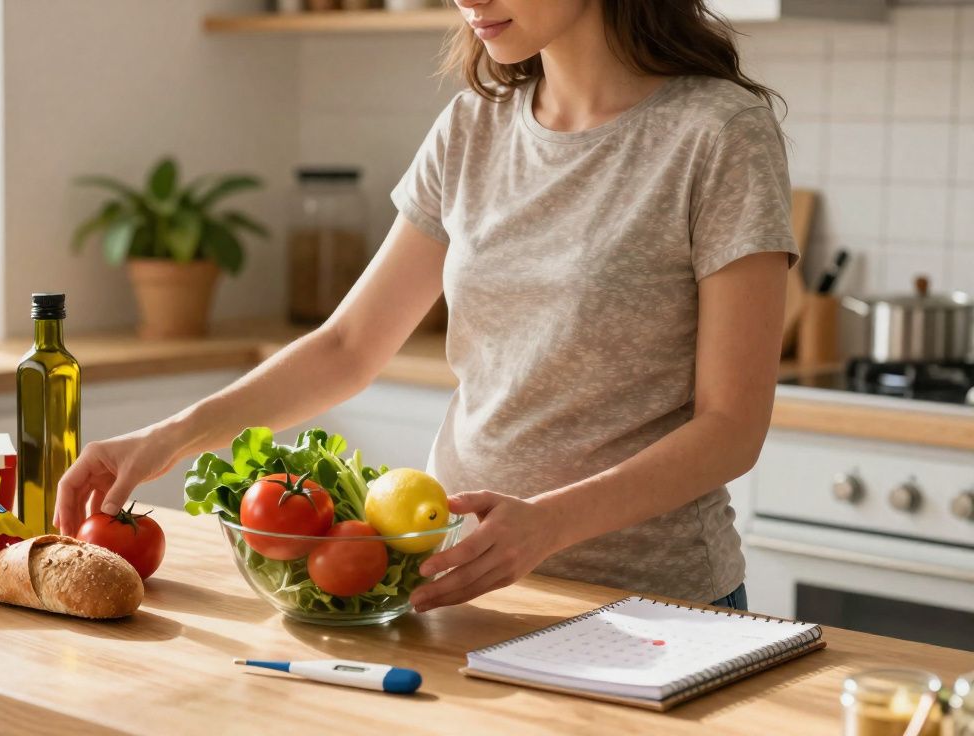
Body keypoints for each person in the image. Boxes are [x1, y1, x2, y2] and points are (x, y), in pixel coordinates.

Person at [56, 0, 797, 614]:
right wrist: (170, 437)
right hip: (465, 585)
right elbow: (350, 346)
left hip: (654, 604)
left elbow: (731, 428)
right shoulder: (475, 124)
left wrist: (549, 525)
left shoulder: (719, 134)